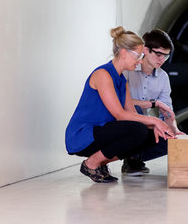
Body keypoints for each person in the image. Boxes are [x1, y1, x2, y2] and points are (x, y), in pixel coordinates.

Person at [65, 26, 176, 183]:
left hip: (104, 130)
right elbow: (120, 114)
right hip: (84, 134)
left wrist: (161, 128)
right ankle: (91, 163)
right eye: (138, 56)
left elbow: (133, 116)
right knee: (138, 130)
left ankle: (102, 163)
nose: (139, 60)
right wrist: (155, 121)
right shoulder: (102, 75)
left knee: (155, 136)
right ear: (124, 53)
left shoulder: (122, 80)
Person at [122, 28, 184, 176]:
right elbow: (121, 104)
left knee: (171, 141)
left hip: (144, 125)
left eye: (166, 56)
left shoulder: (163, 78)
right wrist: (152, 105)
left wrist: (174, 131)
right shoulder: (128, 70)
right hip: (124, 121)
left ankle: (135, 158)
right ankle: (130, 156)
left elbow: (167, 111)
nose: (162, 60)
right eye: (158, 54)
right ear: (145, 50)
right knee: (139, 122)